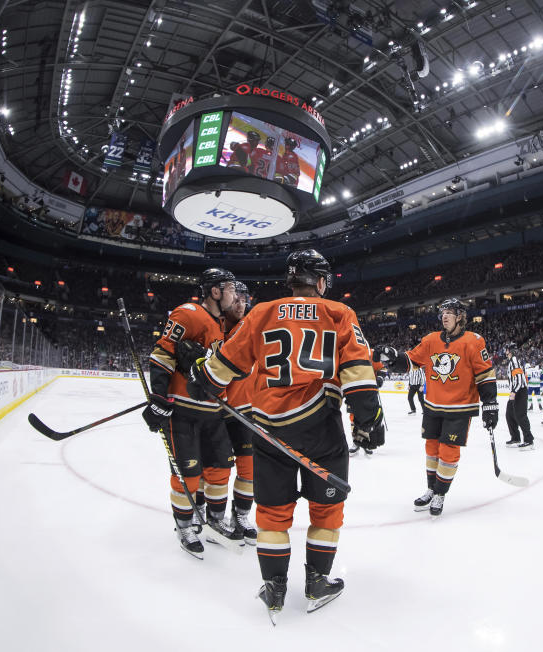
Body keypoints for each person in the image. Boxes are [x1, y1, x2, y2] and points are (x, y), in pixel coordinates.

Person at [183, 249, 382, 623]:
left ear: (291, 280)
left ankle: (274, 588)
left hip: (268, 429)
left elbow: (226, 363)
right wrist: (367, 418)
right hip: (322, 429)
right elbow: (358, 368)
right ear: (321, 281)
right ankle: (317, 583)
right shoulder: (339, 312)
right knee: (327, 511)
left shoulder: (262, 312)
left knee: (272, 514)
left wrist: (202, 380)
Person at [143, 269, 242, 559]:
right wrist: (160, 396)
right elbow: (162, 353)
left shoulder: (220, 325)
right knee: (188, 474)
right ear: (214, 291)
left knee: (221, 468)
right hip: (184, 410)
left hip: (213, 411)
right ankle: (185, 525)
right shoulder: (187, 313)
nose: (234, 295)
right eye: (229, 289)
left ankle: (214, 520)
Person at [380, 298, 498, 518]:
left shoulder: (474, 341)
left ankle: (441, 493)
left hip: (460, 407)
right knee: (432, 450)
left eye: (450, 312)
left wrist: (490, 404)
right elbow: (410, 361)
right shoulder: (431, 340)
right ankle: (431, 488)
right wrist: (393, 357)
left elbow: (485, 375)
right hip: (433, 406)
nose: (444, 316)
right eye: (443, 312)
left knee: (448, 452)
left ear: (461, 316)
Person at [220, 281, 257, 544]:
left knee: (249, 469)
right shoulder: (214, 327)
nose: (241, 303)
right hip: (216, 410)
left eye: (244, 299)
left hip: (245, 412)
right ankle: (208, 514)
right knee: (215, 469)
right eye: (236, 299)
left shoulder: (253, 328)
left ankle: (241, 515)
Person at [505, 350, 533, 450]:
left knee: (521, 415)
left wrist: (514, 391)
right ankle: (516, 438)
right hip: (517, 390)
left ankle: (529, 440)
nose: (506, 352)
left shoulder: (514, 361)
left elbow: (519, 377)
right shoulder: (513, 361)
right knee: (510, 414)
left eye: (507, 351)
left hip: (519, 391)